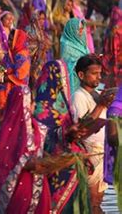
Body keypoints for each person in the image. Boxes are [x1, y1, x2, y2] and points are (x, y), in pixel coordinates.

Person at [33, 60, 92, 213]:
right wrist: (65, 133)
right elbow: (43, 137)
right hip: (58, 169)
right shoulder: (41, 109)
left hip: (73, 166)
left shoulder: (65, 106)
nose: (66, 84)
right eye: (63, 79)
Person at [0, 86, 50, 213]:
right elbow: (2, 162)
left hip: (38, 187)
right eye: (28, 104)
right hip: (18, 191)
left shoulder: (38, 128)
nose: (30, 108)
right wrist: (27, 163)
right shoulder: (8, 133)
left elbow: (40, 151)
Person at [71, 54, 115, 213]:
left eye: (100, 73)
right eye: (94, 73)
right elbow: (80, 130)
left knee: (97, 201)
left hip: (101, 153)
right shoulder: (79, 96)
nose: (99, 77)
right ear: (81, 75)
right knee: (91, 202)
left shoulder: (96, 94)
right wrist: (101, 105)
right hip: (89, 155)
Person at [60, 18, 90, 94]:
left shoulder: (82, 44)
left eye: (82, 29)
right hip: (73, 79)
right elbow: (68, 64)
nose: (81, 32)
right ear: (71, 30)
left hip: (84, 77)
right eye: (78, 29)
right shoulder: (67, 45)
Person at [26, 10, 53, 90]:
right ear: (34, 19)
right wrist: (41, 45)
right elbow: (28, 46)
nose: (42, 21)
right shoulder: (29, 30)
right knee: (33, 83)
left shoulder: (42, 31)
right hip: (32, 62)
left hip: (42, 60)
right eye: (39, 19)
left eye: (43, 19)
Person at [102, 7, 122, 88]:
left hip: (111, 64)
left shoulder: (112, 32)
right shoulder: (116, 32)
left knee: (106, 87)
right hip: (117, 65)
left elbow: (110, 51)